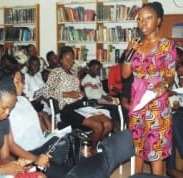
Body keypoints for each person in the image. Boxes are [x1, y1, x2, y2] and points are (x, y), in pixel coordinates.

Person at [121, 2, 177, 176]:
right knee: (137, 147)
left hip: (155, 103)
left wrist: (164, 84)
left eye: (148, 18)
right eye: (140, 19)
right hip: (137, 101)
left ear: (158, 21)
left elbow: (169, 74)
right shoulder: (135, 44)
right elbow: (125, 74)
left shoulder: (166, 45)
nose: (143, 23)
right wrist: (130, 51)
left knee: (155, 150)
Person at [1, 60, 70, 178]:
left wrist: (48, 134)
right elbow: (11, 146)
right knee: (62, 173)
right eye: (17, 82)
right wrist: (35, 158)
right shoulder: (4, 109)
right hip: (26, 154)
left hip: (40, 145)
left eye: (21, 81)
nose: (22, 85)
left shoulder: (23, 100)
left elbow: (34, 126)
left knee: (67, 153)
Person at [43, 46, 112, 156]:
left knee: (108, 124)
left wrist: (80, 92)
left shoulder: (74, 71)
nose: (69, 61)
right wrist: (67, 94)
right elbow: (46, 92)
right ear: (60, 60)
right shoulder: (56, 72)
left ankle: (92, 145)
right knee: (98, 126)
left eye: (71, 58)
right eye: (66, 58)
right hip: (67, 108)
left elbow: (78, 81)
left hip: (80, 104)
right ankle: (92, 151)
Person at [166, 46, 183, 178]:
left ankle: (171, 168)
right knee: (175, 121)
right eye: (179, 61)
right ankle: (171, 168)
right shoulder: (164, 71)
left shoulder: (175, 73)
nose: (179, 64)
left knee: (175, 122)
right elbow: (162, 92)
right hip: (164, 109)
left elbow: (175, 93)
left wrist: (176, 99)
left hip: (174, 107)